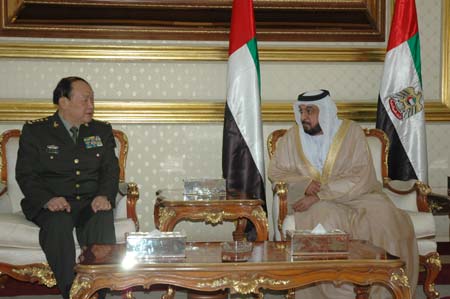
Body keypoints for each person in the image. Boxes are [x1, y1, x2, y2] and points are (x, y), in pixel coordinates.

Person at [268, 89, 418, 299]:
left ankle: (385, 292)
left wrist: (321, 194)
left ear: (326, 111)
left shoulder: (351, 132)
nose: (304, 117)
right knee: (325, 223)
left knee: (386, 219)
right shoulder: (292, 138)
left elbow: (360, 174)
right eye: (301, 111)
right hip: (317, 205)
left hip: (360, 196)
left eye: (310, 111)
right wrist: (304, 184)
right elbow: (276, 172)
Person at [16, 76, 119, 299]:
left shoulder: (101, 131)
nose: (91, 105)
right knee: (58, 222)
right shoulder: (37, 132)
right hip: (51, 205)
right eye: (85, 100)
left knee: (102, 215)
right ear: (64, 102)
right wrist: (47, 199)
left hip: (89, 202)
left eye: (92, 99)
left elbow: (110, 171)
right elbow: (26, 174)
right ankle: (73, 293)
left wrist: (104, 195)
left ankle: (97, 293)